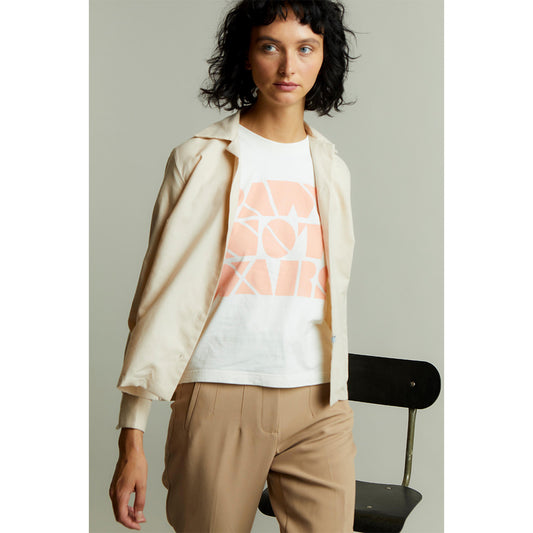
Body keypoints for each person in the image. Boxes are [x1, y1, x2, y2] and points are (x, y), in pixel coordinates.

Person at [109, 1, 357, 531]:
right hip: (220, 392)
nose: (288, 67)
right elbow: (155, 298)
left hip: (319, 400)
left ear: (323, 58)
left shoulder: (332, 168)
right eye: (270, 47)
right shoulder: (198, 159)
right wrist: (132, 434)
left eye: (305, 49)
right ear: (246, 57)